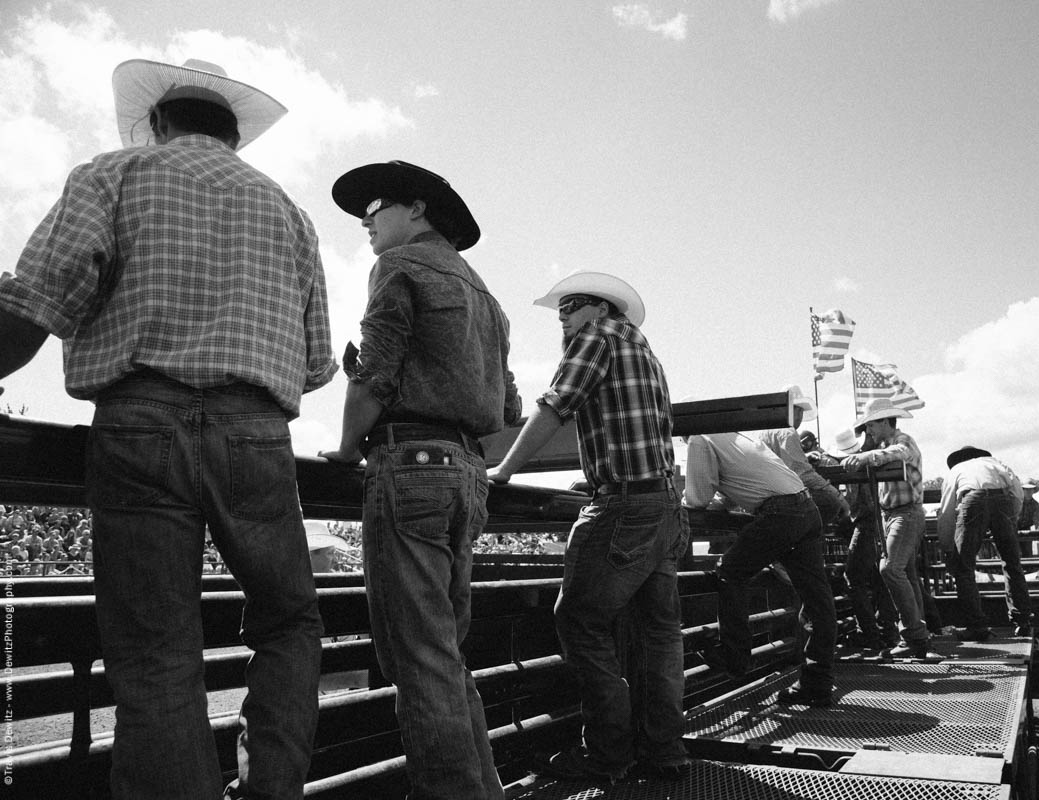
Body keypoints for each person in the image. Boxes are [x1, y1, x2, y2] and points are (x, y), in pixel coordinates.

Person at [0, 58, 335, 798]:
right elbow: (315, 365)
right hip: (255, 433)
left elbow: (36, 305)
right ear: (233, 135)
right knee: (288, 622)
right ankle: (272, 789)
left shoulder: (113, 175)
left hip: (140, 419)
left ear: (157, 122)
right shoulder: (288, 212)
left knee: (156, 650)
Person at [319, 160, 521, 800]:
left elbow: (376, 371)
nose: (365, 221)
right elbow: (509, 408)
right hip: (468, 475)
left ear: (417, 209)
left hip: (410, 466)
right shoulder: (487, 297)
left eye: (374, 207)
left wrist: (349, 446)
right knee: (444, 653)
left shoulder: (398, 267)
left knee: (419, 657)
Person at [488, 271, 690, 784]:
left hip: (624, 507)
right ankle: (663, 751)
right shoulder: (644, 351)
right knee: (659, 635)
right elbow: (640, 427)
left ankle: (607, 754)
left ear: (601, 309)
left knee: (579, 622)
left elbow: (557, 405)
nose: (563, 316)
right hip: (664, 505)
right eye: (561, 309)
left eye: (572, 305)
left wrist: (505, 470)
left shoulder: (594, 339)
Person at [682, 431, 837, 707]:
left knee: (730, 571)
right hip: (805, 506)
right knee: (817, 599)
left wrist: (686, 501)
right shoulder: (734, 437)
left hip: (780, 512)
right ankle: (818, 682)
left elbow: (696, 499)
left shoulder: (699, 439)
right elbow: (743, 481)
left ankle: (736, 659)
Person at [841, 398, 930, 659]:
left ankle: (914, 634)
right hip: (893, 515)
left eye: (869, 425)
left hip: (904, 513)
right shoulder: (886, 445)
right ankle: (917, 636)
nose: (867, 431)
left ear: (883, 421)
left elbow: (900, 453)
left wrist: (865, 455)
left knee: (890, 568)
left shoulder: (903, 441)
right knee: (906, 574)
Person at [938, 446, 1034, 640]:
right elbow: (1017, 494)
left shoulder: (957, 470)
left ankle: (977, 626)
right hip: (1003, 499)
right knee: (1012, 563)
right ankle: (1022, 621)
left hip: (973, 498)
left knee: (964, 567)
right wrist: (1009, 520)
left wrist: (947, 546)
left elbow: (946, 512)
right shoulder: (997, 464)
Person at [830, 429, 900, 659]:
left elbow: (851, 502)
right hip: (880, 521)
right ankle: (886, 630)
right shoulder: (867, 460)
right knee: (878, 578)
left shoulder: (853, 467)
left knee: (853, 578)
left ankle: (870, 634)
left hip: (865, 522)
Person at [759, 408, 853, 537]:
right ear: (796, 411)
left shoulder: (766, 432)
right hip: (782, 501)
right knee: (829, 501)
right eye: (800, 412)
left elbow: (783, 464)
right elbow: (804, 475)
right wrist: (839, 498)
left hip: (767, 497)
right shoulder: (788, 432)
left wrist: (804, 458)